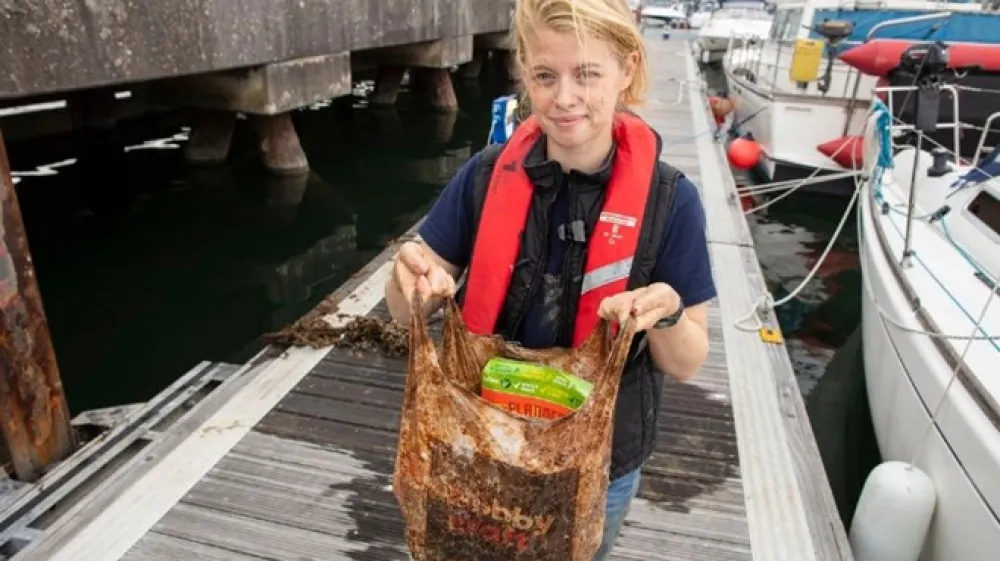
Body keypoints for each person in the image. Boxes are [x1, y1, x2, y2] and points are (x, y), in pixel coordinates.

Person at [383, 0, 716, 558]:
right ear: (524, 73)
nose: (564, 98)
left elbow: (687, 363)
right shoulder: (485, 177)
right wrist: (408, 276)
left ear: (627, 69)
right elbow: (401, 307)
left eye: (587, 73)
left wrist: (671, 311)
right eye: (545, 76)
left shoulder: (672, 202)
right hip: (478, 440)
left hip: (598, 463)